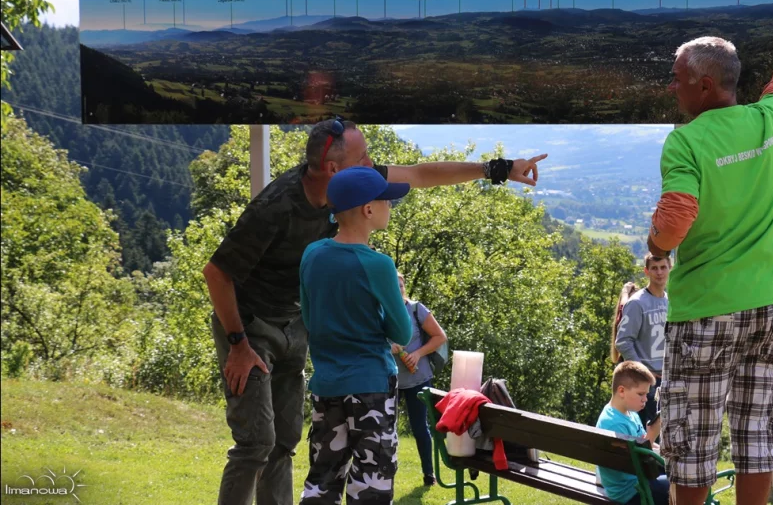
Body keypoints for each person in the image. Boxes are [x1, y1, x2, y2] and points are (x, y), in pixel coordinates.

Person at [203, 116, 548, 505]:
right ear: (334, 169)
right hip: (248, 327)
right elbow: (216, 273)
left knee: (285, 442)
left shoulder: (353, 184)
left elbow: (420, 174)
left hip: (295, 327)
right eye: (363, 156)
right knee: (256, 443)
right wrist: (237, 342)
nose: (372, 163)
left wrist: (495, 169)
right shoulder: (277, 206)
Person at [647, 0, 773, 505]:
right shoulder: (769, 120)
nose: (672, 87)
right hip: (768, 307)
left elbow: (676, 220)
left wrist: (655, 245)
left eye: (677, 79)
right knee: (758, 440)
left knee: (694, 445)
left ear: (703, 84)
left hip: (705, 313)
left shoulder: (686, 141)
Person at [298, 166, 413, 504]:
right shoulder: (379, 265)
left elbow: (309, 316)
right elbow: (402, 333)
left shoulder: (311, 254)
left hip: (327, 385)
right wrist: (397, 296)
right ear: (368, 209)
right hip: (371, 388)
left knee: (321, 482)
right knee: (371, 487)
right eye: (387, 201)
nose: (390, 207)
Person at [390, 271, 447, 487]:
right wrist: (389, 348)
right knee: (387, 429)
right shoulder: (378, 311)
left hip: (418, 378)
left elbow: (440, 336)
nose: (399, 289)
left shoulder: (415, 309)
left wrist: (417, 354)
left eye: (401, 286)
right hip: (388, 378)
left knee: (420, 427)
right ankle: (387, 476)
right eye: (394, 286)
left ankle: (429, 475)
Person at [596, 361, 670, 505]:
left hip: (636, 482)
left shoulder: (630, 414)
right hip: (629, 491)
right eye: (640, 394)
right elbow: (641, 462)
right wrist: (652, 434)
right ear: (622, 391)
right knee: (682, 486)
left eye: (646, 394)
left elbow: (642, 445)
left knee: (682, 479)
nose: (645, 399)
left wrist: (665, 451)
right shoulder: (614, 423)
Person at [614, 254, 671, 427]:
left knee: (662, 433)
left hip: (665, 379)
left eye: (663, 267)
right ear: (646, 271)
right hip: (644, 382)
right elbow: (623, 341)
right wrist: (643, 371)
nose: (659, 272)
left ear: (670, 269)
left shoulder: (670, 302)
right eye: (654, 268)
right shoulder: (637, 303)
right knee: (645, 435)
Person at [610, 282, 638, 365]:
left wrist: (625, 293)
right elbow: (625, 309)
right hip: (632, 367)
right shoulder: (625, 315)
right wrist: (625, 293)